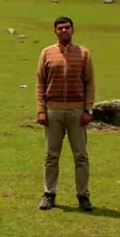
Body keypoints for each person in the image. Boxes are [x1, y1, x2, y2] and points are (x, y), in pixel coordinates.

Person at [35, 16, 95, 212]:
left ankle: (83, 196)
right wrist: (41, 110)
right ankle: (49, 194)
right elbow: (40, 83)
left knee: (81, 156)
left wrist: (88, 109)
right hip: (53, 111)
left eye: (67, 27)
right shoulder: (47, 53)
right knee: (51, 155)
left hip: (77, 111)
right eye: (60, 28)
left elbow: (89, 83)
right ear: (55, 31)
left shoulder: (84, 53)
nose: (64, 31)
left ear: (73, 30)